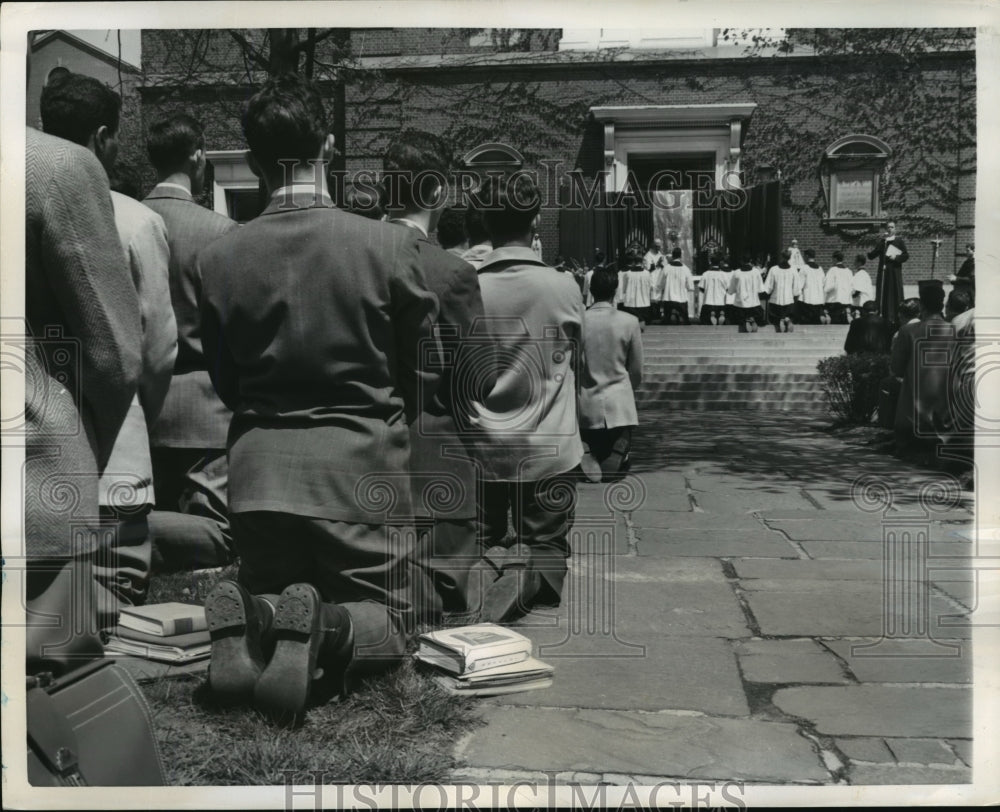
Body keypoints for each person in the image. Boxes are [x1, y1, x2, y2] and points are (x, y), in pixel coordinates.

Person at [198, 75, 440, 724]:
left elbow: (225, 380)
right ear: (328, 148)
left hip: (258, 480)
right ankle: (328, 628)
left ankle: (262, 612)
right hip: (361, 470)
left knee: (274, 581)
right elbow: (423, 370)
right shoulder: (390, 246)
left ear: (251, 162)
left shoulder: (218, 259)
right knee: (398, 618)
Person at [40, 72, 178, 623]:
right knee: (112, 599)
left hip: (34, 445)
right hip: (116, 447)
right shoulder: (136, 219)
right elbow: (158, 348)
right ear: (103, 137)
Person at [25, 125, 143, 673]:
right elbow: (113, 357)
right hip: (33, 478)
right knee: (46, 705)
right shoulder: (53, 168)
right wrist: (86, 444)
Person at [382, 129, 495, 622]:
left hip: (354, 449)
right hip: (432, 449)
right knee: (437, 603)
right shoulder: (450, 272)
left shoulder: (347, 252)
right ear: (437, 192)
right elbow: (480, 375)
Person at [467, 172, 584, 624]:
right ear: (535, 220)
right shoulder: (564, 286)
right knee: (549, 541)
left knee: (482, 534)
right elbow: (582, 364)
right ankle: (533, 577)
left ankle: (487, 570)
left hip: (484, 443)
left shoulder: (465, 284)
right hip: (549, 445)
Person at [142, 113, 238, 572]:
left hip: (144, 404)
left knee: (150, 514)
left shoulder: (122, 220)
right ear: (198, 156)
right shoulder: (219, 232)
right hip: (208, 405)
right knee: (215, 534)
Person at [579, 268, 644, 480]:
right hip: (618, 401)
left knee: (588, 435)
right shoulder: (629, 321)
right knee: (620, 434)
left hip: (587, 401)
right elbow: (636, 369)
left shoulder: (580, 320)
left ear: (591, 289)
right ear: (615, 290)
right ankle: (617, 450)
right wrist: (628, 389)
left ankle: (588, 450)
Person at [891, 281, 955, 461]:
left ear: (922, 306)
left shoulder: (908, 331)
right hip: (945, 408)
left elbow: (896, 368)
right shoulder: (954, 331)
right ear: (942, 304)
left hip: (913, 411)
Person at [868, 220, 909, 324]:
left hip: (894, 271)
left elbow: (906, 255)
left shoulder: (899, 241)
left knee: (894, 292)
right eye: (888, 227)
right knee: (883, 292)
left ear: (895, 229)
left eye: (892, 227)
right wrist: (880, 243)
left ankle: (896, 316)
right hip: (884, 272)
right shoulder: (883, 242)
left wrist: (896, 257)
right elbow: (872, 255)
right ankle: (883, 314)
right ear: (886, 229)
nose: (890, 229)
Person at [763, 248, 799, 333]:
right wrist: (794, 294)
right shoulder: (793, 270)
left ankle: (780, 320)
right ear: (789, 258)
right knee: (788, 311)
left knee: (774, 315)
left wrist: (765, 292)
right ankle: (787, 319)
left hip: (776, 302)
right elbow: (796, 288)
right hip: (789, 301)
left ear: (781, 257)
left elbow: (769, 287)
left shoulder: (774, 269)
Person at [728, 256, 765, 332]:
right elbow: (761, 289)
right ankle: (752, 318)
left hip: (740, 305)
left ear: (741, 261)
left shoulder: (736, 272)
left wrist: (731, 291)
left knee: (734, 315)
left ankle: (745, 320)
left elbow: (731, 290)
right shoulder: (756, 272)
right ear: (750, 261)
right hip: (754, 305)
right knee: (758, 312)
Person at [619, 245, 653, 324]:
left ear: (634, 262)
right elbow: (651, 287)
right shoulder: (647, 273)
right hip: (644, 303)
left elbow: (624, 289)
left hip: (631, 304)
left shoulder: (628, 274)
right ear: (642, 262)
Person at [661, 247, 694, 325]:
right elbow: (690, 286)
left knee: (666, 322)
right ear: (681, 256)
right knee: (685, 322)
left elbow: (661, 284)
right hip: (681, 299)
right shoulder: (686, 269)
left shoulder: (666, 268)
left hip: (668, 298)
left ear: (672, 256)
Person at [797, 248, 826, 325]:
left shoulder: (804, 268)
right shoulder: (820, 269)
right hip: (818, 300)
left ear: (806, 256)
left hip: (807, 299)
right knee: (816, 322)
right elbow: (823, 283)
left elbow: (799, 285)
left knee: (807, 322)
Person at [698, 254, 729, 325]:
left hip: (708, 303)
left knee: (705, 322)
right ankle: (720, 314)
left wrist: (707, 292)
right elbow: (727, 288)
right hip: (720, 303)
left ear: (711, 262)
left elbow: (701, 288)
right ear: (720, 263)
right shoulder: (724, 275)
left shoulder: (706, 274)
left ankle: (711, 314)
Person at [825, 250, 854, 324]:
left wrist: (825, 292)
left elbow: (828, 286)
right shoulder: (849, 271)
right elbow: (852, 286)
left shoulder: (832, 270)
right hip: (846, 302)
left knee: (834, 323)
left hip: (835, 301)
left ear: (835, 259)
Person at [851, 253, 875, 319]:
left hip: (862, 304)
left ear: (859, 263)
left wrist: (849, 297)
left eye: (855, 261)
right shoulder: (865, 274)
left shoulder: (860, 274)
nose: (854, 263)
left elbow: (857, 291)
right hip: (864, 303)